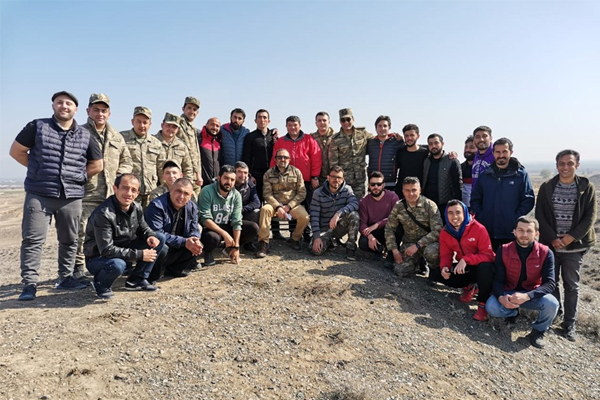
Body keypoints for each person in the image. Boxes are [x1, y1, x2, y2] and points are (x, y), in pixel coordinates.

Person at [9, 91, 103, 300]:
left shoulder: (85, 134)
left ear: (76, 109)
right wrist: (37, 170)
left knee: (70, 239)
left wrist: (79, 177)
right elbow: (16, 151)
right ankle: (29, 284)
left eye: (69, 103)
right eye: (60, 102)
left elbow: (97, 164)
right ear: (53, 106)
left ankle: (66, 278)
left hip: (71, 195)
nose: (64, 106)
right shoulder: (37, 126)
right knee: (33, 239)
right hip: (39, 193)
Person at [535, 149, 597, 341]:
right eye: (561, 163)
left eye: (570, 163)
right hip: (551, 245)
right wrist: (552, 238)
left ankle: (569, 324)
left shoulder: (586, 187)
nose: (565, 167)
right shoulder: (547, 186)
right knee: (551, 282)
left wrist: (571, 237)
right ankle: (555, 314)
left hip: (574, 246)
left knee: (571, 285)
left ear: (577, 165)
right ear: (557, 165)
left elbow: (590, 217)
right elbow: (540, 215)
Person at [74, 93, 133, 283]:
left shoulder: (116, 136)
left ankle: (108, 266)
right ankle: (77, 269)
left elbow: (127, 160)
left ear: (109, 113)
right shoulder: (79, 133)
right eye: (96, 110)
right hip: (87, 193)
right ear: (88, 111)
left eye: (104, 110)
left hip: (110, 194)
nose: (100, 114)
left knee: (111, 232)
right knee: (82, 231)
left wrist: (119, 178)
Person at [84, 174, 166, 298]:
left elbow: (144, 228)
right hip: (99, 257)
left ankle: (137, 279)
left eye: (133, 190)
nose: (129, 193)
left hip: (124, 248)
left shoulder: (136, 207)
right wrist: (140, 254)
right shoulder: (103, 214)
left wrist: (150, 236)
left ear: (137, 193)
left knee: (159, 238)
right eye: (125, 188)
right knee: (118, 264)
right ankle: (100, 284)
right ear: (115, 188)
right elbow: (106, 250)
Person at [485, 216, 558, 349]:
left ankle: (539, 331)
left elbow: (550, 284)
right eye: (520, 230)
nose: (524, 234)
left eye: (529, 231)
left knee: (552, 304)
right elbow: (498, 280)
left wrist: (527, 296)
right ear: (514, 232)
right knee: (492, 307)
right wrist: (501, 297)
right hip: (509, 292)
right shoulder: (504, 250)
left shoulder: (546, 253)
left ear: (536, 233)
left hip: (531, 293)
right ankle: (513, 313)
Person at [434, 199, 496, 321]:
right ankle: (469, 287)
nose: (454, 217)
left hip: (480, 267)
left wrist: (466, 259)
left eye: (458, 212)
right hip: (465, 268)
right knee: (436, 274)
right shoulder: (445, 232)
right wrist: (445, 267)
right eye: (450, 213)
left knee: (485, 267)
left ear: (465, 213)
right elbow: (446, 254)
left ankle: (482, 304)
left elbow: (489, 255)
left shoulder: (478, 228)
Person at [471, 138, 535, 251]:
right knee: (489, 261)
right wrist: (482, 216)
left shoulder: (521, 175)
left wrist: (514, 219)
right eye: (498, 152)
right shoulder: (485, 175)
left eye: (504, 151)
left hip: (511, 232)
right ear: (493, 153)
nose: (501, 155)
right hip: (488, 231)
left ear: (511, 152)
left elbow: (528, 200)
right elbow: (475, 199)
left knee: (511, 262)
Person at [270, 115, 322, 242]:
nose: (293, 128)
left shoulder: (309, 139)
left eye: (295, 125)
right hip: (287, 181)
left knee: (308, 207)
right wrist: (273, 177)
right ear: (286, 126)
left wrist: (315, 176)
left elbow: (316, 158)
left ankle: (308, 234)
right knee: (291, 206)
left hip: (306, 180)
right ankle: (293, 234)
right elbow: (274, 159)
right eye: (290, 125)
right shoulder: (280, 141)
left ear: (300, 125)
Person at [197, 165, 259, 266]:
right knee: (213, 238)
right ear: (219, 178)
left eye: (232, 180)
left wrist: (236, 246)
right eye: (226, 178)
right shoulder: (207, 191)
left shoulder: (236, 195)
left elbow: (236, 221)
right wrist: (224, 234)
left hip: (227, 224)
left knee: (253, 228)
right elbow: (205, 219)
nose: (229, 182)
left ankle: (229, 249)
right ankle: (208, 252)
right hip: (210, 227)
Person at [145, 178, 203, 283]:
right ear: (171, 189)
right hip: (160, 244)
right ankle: (151, 275)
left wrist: (194, 238)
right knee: (161, 247)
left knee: (196, 245)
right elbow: (157, 233)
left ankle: (174, 270)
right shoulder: (157, 206)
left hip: (177, 244)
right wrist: (184, 242)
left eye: (186, 193)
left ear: (190, 196)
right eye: (178, 191)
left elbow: (194, 228)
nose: (181, 196)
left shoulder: (192, 207)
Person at [385, 177, 443, 278]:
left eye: (414, 190)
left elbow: (437, 231)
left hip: (428, 244)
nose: (411, 194)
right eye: (407, 190)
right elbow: (389, 228)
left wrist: (418, 245)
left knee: (432, 253)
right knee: (399, 270)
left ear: (420, 190)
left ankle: (434, 270)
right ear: (403, 191)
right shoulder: (399, 206)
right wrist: (394, 250)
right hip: (409, 244)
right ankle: (418, 263)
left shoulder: (430, 205)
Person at [256, 149, 310, 257]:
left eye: (285, 157)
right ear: (275, 159)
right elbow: (267, 194)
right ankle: (263, 243)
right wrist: (278, 207)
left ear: (289, 159)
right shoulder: (268, 174)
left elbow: (302, 193)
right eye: (279, 157)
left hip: (292, 205)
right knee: (264, 210)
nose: (282, 159)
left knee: (305, 217)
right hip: (274, 205)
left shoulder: (296, 172)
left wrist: (289, 206)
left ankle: (295, 238)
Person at [120, 106, 166, 208]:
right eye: (138, 121)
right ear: (132, 121)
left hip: (151, 192)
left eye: (145, 122)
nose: (142, 125)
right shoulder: (121, 138)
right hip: (129, 193)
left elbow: (161, 168)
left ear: (150, 124)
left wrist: (163, 188)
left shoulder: (156, 143)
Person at [310, 166, 359, 260]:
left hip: (339, 226)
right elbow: (314, 215)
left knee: (354, 215)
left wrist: (338, 214)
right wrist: (316, 237)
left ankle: (351, 247)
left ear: (343, 179)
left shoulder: (347, 190)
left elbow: (354, 204)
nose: (336, 180)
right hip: (324, 228)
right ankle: (330, 241)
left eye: (339, 177)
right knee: (316, 251)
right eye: (333, 177)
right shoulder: (318, 193)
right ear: (328, 177)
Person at [328, 108, 372, 200]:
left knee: (360, 203)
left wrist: (392, 135)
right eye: (343, 120)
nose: (346, 122)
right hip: (344, 180)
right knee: (344, 204)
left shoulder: (363, 134)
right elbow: (333, 163)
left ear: (353, 119)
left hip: (360, 179)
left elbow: (379, 138)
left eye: (348, 119)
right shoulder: (335, 139)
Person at [358, 171, 399, 261]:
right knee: (363, 243)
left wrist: (378, 224)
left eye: (379, 184)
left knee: (398, 228)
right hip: (374, 231)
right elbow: (362, 224)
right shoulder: (364, 202)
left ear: (383, 185)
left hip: (389, 229)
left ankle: (390, 253)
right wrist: (370, 237)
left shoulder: (393, 197)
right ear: (369, 186)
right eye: (373, 184)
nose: (376, 187)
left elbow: (396, 217)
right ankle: (378, 249)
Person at [421, 133, 462, 221]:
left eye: (436, 143)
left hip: (445, 205)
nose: (433, 146)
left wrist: (457, 204)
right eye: (430, 144)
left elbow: (458, 184)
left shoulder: (452, 161)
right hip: (427, 204)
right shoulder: (426, 161)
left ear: (442, 144)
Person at [242, 109, 277, 201]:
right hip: (256, 175)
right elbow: (246, 157)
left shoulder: (274, 137)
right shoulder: (250, 137)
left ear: (269, 121)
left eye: (265, 117)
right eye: (260, 117)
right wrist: (250, 175)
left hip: (272, 174)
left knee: (273, 201)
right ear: (255, 120)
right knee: (257, 201)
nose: (262, 120)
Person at [366, 115, 403, 192]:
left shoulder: (397, 142)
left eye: (385, 126)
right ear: (376, 128)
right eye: (379, 126)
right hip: (374, 183)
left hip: (390, 183)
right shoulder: (370, 143)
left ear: (389, 128)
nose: (382, 128)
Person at [155, 112, 193, 180]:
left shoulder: (182, 146)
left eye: (174, 127)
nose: (171, 129)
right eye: (168, 125)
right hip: (156, 185)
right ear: (162, 125)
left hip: (176, 185)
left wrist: (186, 184)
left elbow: (188, 169)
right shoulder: (152, 142)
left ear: (178, 129)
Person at [178, 96, 203, 196]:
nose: (192, 111)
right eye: (189, 108)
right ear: (183, 108)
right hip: (185, 173)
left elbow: (195, 152)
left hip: (195, 175)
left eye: (195, 109)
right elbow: (188, 151)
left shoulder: (192, 127)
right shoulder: (179, 124)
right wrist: (196, 173)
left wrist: (198, 173)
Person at [394, 124, 429, 197]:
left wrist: (451, 154)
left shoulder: (426, 153)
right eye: (406, 136)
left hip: (419, 193)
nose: (409, 138)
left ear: (418, 136)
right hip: (401, 193)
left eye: (412, 135)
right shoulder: (400, 152)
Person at [311, 111, 335, 185]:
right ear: (316, 123)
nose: (322, 123)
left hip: (333, 177)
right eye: (319, 120)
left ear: (329, 122)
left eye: (324, 120)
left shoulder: (336, 137)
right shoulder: (311, 138)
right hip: (317, 178)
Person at [198, 117, 222, 187]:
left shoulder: (219, 143)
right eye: (212, 124)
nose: (214, 127)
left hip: (216, 184)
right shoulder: (199, 141)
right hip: (201, 183)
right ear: (206, 125)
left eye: (217, 126)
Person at [461, 135, 477, 207]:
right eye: (466, 147)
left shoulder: (483, 167)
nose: (467, 150)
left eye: (471, 147)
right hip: (463, 207)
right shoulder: (460, 167)